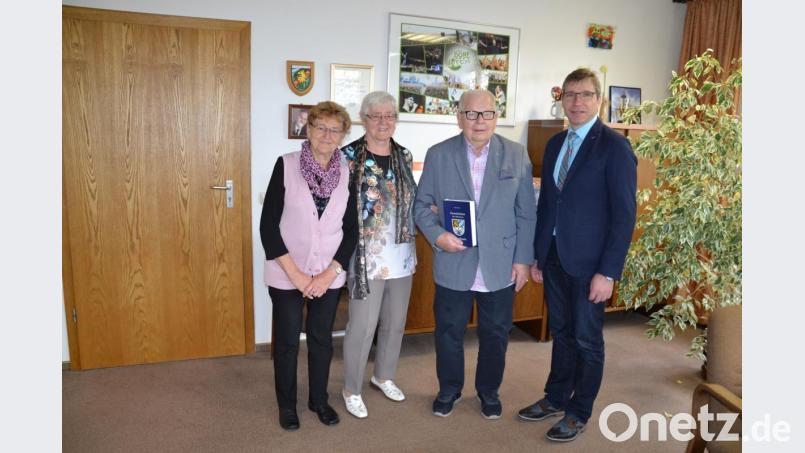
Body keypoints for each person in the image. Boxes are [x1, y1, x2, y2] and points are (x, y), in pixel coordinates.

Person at [518, 68, 637, 442]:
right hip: (554, 257)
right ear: (562, 101)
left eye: (585, 95)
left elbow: (624, 215)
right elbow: (549, 205)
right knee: (562, 333)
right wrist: (539, 254)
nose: (577, 102)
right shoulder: (555, 144)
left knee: (587, 339)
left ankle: (579, 410)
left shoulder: (614, 147)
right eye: (570, 95)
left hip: (591, 265)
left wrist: (609, 271)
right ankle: (555, 397)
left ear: (598, 99)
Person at [414, 89, 536, 420]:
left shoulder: (516, 154)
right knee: (449, 332)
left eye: (486, 114)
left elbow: (526, 213)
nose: (478, 121)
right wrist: (438, 236)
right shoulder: (439, 155)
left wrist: (523, 260)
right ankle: (450, 390)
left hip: (501, 263)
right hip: (454, 261)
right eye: (471, 114)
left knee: (495, 334)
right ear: (459, 117)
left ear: (497, 117)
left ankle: (488, 391)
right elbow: (421, 205)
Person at [259, 101, 358, 431]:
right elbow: (268, 227)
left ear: (343, 134)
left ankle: (319, 400)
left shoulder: (348, 172)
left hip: (328, 273)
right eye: (321, 127)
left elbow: (352, 229)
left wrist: (330, 272)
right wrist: (299, 276)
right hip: (288, 271)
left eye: (335, 129)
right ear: (308, 130)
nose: (327, 135)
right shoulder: (285, 165)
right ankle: (287, 406)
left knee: (321, 340)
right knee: (287, 341)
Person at [339, 91, 418, 419]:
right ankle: (351, 388)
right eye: (376, 116)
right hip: (366, 257)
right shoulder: (348, 156)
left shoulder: (404, 154)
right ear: (364, 119)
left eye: (390, 115)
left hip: (401, 254)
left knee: (395, 322)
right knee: (362, 326)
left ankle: (383, 375)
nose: (384, 121)